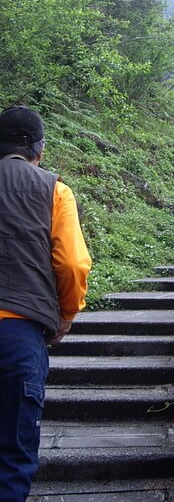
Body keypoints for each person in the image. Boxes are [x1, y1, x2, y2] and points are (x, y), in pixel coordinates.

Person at [0, 105, 92, 502]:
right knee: (13, 455)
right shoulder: (53, 189)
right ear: (39, 149)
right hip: (20, 330)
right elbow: (72, 262)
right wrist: (67, 314)